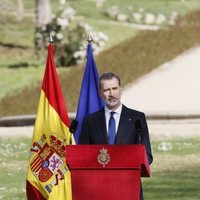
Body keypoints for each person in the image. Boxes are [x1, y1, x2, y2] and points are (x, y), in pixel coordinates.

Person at [79, 72, 153, 200]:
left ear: (121, 89)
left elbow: (148, 156)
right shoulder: (90, 121)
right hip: (99, 188)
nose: (111, 93)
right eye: (107, 90)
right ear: (100, 93)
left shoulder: (137, 118)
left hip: (128, 186)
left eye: (114, 88)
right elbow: (82, 155)